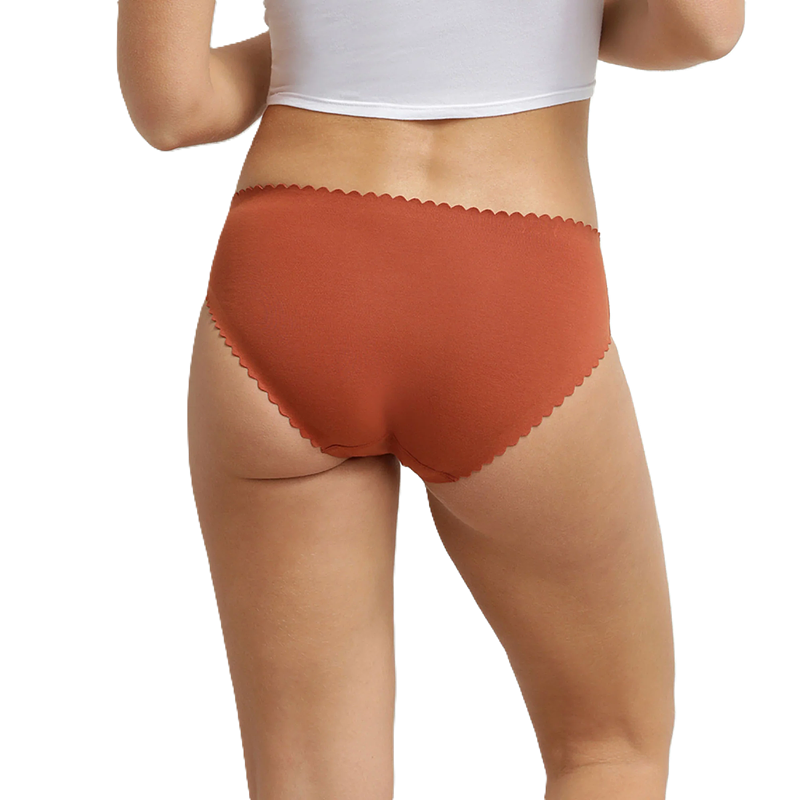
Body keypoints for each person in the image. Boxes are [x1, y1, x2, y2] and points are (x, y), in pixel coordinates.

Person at [117, 1, 744, 797]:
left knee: (311, 779)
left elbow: (174, 107)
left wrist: (337, 37)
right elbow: (701, 28)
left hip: (293, 275)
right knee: (607, 748)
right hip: (505, 282)